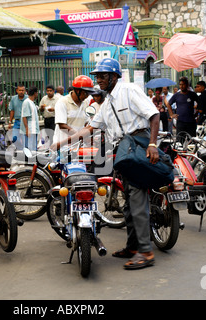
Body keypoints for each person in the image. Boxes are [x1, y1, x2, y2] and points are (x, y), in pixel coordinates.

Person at [52, 58, 160, 270]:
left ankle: (146, 251)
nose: (98, 80)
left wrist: (153, 144)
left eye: (102, 76)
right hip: (123, 152)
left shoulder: (129, 90)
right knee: (128, 200)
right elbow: (89, 129)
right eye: (97, 76)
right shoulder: (107, 102)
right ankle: (132, 246)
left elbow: (154, 115)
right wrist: (60, 144)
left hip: (139, 146)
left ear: (114, 76)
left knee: (137, 200)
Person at [52, 75, 95, 144]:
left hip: (78, 145)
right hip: (63, 145)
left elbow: (86, 123)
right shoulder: (62, 102)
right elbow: (62, 125)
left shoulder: (86, 103)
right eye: (86, 93)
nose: (87, 96)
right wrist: (79, 136)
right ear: (78, 91)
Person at [20, 86, 40, 152]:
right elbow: (24, 116)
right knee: (28, 149)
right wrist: (27, 129)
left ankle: (32, 161)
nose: (37, 94)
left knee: (33, 149)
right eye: (37, 93)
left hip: (33, 129)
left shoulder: (32, 102)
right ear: (35, 93)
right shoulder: (27, 102)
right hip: (29, 130)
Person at [8, 84, 28, 148]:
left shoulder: (27, 99)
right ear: (17, 90)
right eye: (20, 90)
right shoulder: (13, 99)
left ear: (25, 91)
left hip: (26, 122)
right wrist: (10, 122)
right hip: (17, 122)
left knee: (26, 140)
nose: (21, 92)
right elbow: (12, 111)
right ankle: (20, 150)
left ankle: (25, 153)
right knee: (14, 138)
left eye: (22, 90)